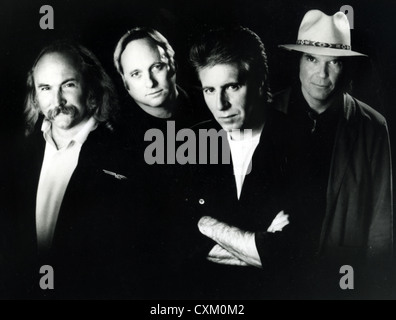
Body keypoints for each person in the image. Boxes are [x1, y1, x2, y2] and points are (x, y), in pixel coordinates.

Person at [276, 9, 393, 298]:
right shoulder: (265, 111)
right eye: (312, 58)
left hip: (338, 274)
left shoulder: (373, 126)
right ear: (298, 61)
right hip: (274, 268)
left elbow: (381, 220)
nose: (322, 74)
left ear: (347, 68)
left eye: (335, 63)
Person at [7, 41, 133, 299]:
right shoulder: (18, 156)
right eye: (45, 88)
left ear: (91, 86)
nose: (57, 100)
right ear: (35, 94)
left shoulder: (124, 155)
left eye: (68, 84)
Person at [185, 26, 293, 299]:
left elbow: (286, 253)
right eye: (209, 89)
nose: (220, 104)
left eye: (232, 86)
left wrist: (202, 224)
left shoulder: (299, 140)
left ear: (260, 80)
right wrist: (256, 244)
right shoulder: (190, 141)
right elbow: (174, 238)